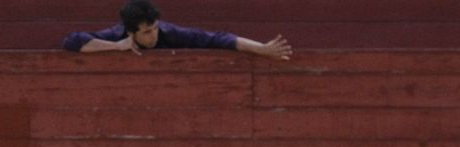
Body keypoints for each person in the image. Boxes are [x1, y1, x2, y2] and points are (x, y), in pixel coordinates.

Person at [62, 1, 292, 60]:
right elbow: (73, 41)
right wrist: (116, 46)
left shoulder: (168, 32)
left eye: (153, 29)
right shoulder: (118, 34)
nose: (152, 35)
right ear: (131, 33)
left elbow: (217, 39)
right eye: (146, 32)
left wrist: (261, 48)